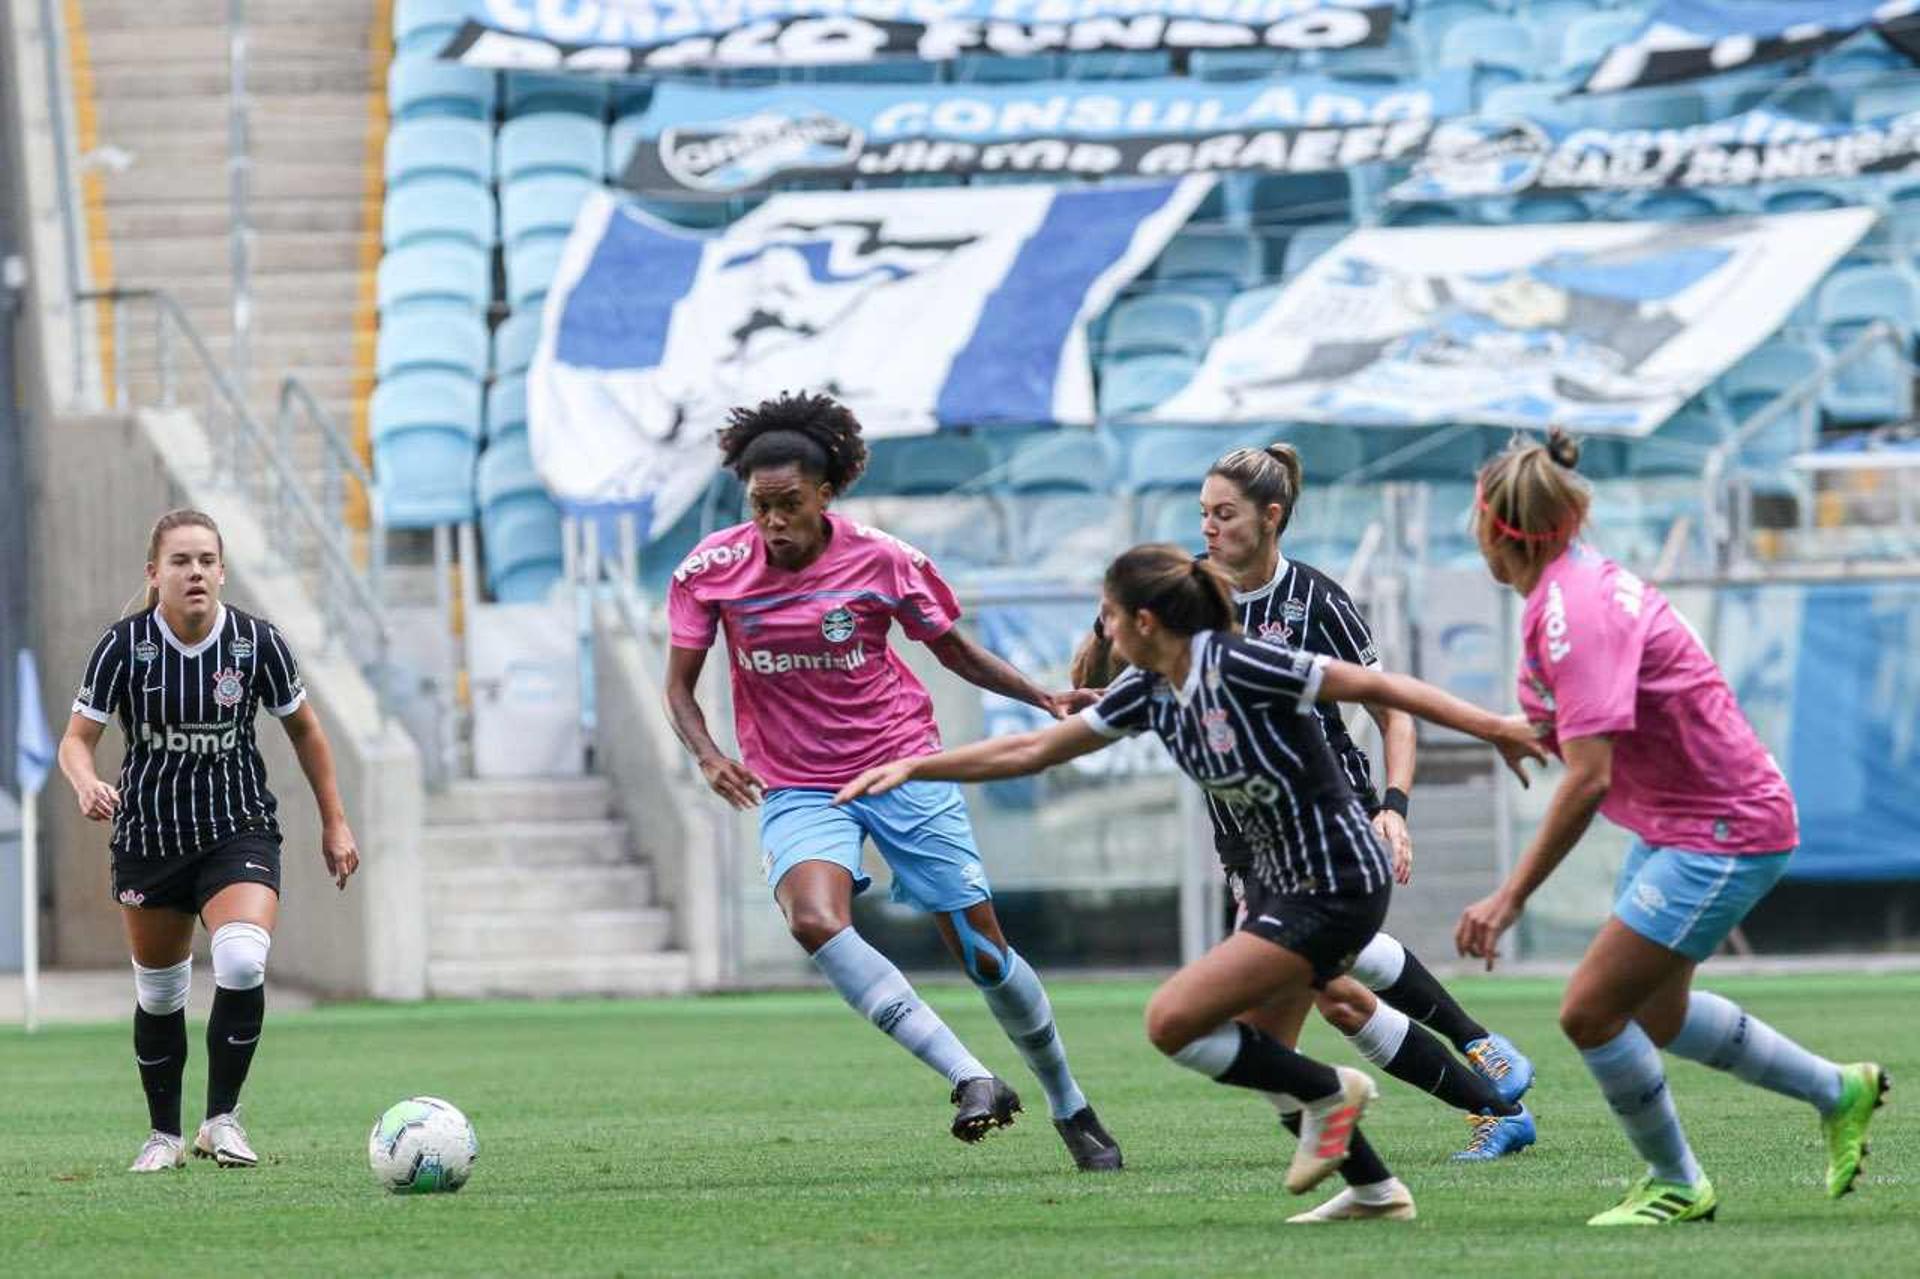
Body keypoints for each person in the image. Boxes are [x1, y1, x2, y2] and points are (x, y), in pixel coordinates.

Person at [838, 543, 1548, 1209]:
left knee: (1175, 1022)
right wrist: (916, 765)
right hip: (1277, 881)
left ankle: (1340, 1091)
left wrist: (1496, 728)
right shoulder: (1151, 690)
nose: (1102, 632)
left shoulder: (1240, 663)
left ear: (1143, 621)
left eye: (1108, 616)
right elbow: (1032, 749)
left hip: (1335, 880)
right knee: (1263, 1048)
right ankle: (1374, 1189)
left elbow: (1378, 685)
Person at [662, 392, 1121, 1171]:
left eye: (789, 504)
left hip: (901, 763)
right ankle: (971, 1076)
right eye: (759, 505)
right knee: (812, 918)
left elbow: (955, 652)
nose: (773, 522)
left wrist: (1041, 696)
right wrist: (707, 753)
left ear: (826, 492)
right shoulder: (711, 572)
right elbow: (677, 686)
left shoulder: (886, 560)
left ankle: (1068, 1102)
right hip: (798, 783)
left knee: (981, 955)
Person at [1072, 444, 1536, 1201]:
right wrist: (1108, 622)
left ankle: (1477, 1068)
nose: (1210, 528)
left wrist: (1395, 807)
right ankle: (1475, 1110)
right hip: (1249, 836)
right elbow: (1087, 684)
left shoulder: (1316, 600)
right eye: (1202, 514)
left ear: (1271, 517)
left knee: (1321, 982)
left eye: (1224, 513)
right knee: (1325, 1001)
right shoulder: (1180, 594)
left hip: (1328, 811)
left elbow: (1390, 708)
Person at [1453, 430, 1887, 1226]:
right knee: (1658, 1014)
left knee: (1588, 1011)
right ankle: (1839, 1089)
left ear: (1493, 530)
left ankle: (1678, 1182)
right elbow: (1601, 727)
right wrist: (1511, 728)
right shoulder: (1574, 586)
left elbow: (1589, 775)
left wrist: (1509, 897)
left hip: (1723, 827)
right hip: (1683, 817)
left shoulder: (1569, 610)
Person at [56, 509, 361, 1173]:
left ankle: (221, 1118)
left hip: (237, 829)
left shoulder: (256, 644)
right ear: (154, 573)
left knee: (243, 960)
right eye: (180, 561)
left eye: (204, 560)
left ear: (222, 570)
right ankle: (163, 1133)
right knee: (161, 994)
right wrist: (85, 783)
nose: (194, 571)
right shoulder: (124, 646)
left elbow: (306, 730)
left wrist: (334, 819)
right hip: (149, 839)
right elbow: (77, 740)